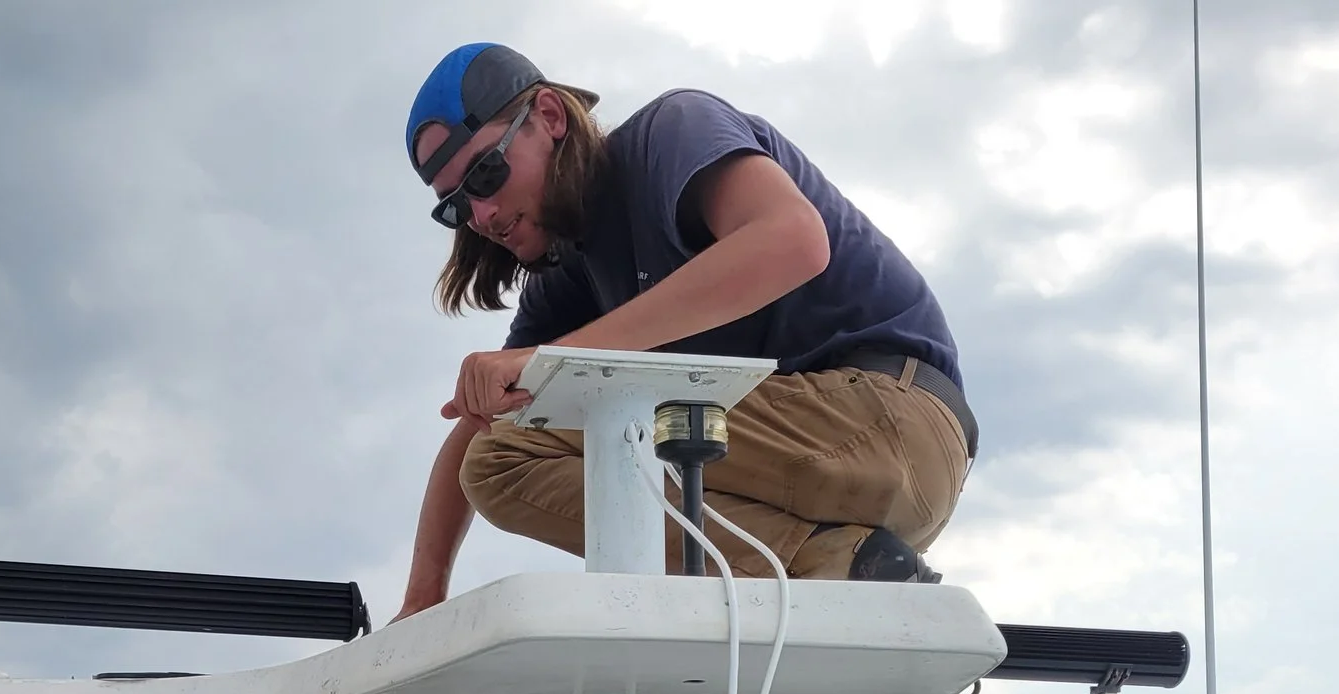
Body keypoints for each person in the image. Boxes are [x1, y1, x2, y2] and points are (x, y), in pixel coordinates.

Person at [397, 42, 977, 616]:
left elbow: (794, 240)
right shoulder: (570, 275)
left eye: (485, 173)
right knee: (497, 459)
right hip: (838, 481)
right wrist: (420, 603)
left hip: (893, 419)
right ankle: (853, 564)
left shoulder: (671, 133)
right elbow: (485, 424)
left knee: (512, 447)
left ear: (549, 116)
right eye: (454, 206)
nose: (481, 215)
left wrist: (567, 357)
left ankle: (828, 564)